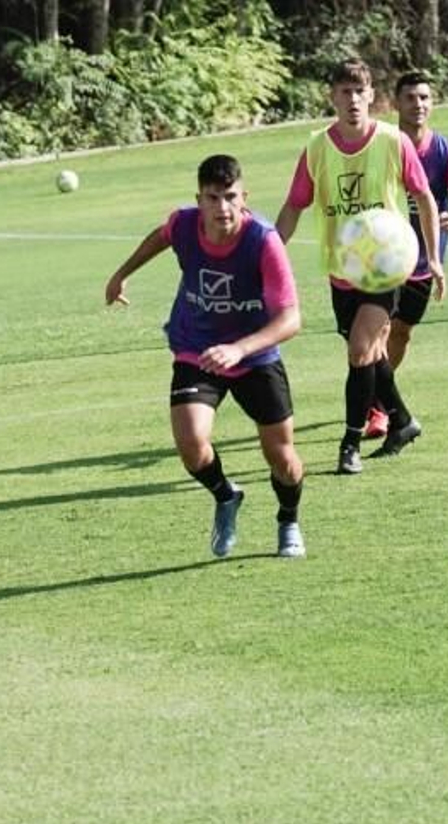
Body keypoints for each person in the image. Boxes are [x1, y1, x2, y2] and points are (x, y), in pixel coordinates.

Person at [105, 154, 307, 558]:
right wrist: (122, 273)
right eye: (212, 198)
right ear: (199, 199)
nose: (222, 208)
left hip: (255, 356)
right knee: (192, 443)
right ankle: (226, 494)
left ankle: (288, 520)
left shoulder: (263, 240)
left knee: (281, 457)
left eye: (230, 197)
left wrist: (240, 349)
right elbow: (161, 235)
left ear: (244, 196)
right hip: (196, 347)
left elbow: (291, 318)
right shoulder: (184, 224)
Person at [274, 58, 445, 475]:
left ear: (372, 96)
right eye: (344, 91)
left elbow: (424, 198)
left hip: (387, 268)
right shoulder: (316, 148)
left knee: (358, 351)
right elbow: (295, 206)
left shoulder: (392, 141)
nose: (353, 99)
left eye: (360, 91)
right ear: (332, 97)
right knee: (371, 354)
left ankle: (349, 443)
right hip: (342, 269)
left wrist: (434, 257)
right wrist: (268, 257)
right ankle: (402, 421)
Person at [365, 70, 448, 439]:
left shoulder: (446, 151)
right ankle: (377, 407)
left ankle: (381, 393)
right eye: (411, 98)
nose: (419, 105)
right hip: (382, 259)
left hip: (424, 261)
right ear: (395, 103)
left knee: (401, 333)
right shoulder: (380, 145)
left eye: (425, 98)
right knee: (377, 331)